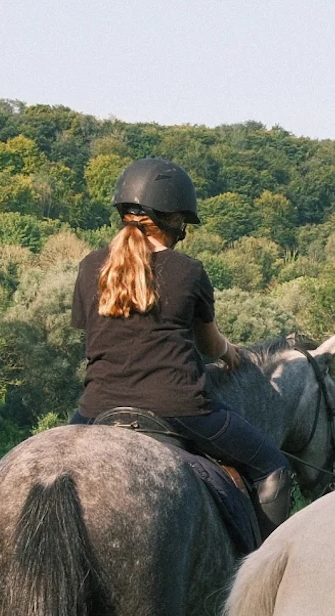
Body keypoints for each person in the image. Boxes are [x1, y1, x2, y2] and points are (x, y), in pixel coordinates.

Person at [71, 157, 294, 529]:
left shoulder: (90, 266)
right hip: (179, 407)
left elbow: (94, 335)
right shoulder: (188, 270)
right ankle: (258, 576)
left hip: (97, 407)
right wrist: (229, 353)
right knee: (273, 469)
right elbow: (210, 345)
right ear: (175, 220)